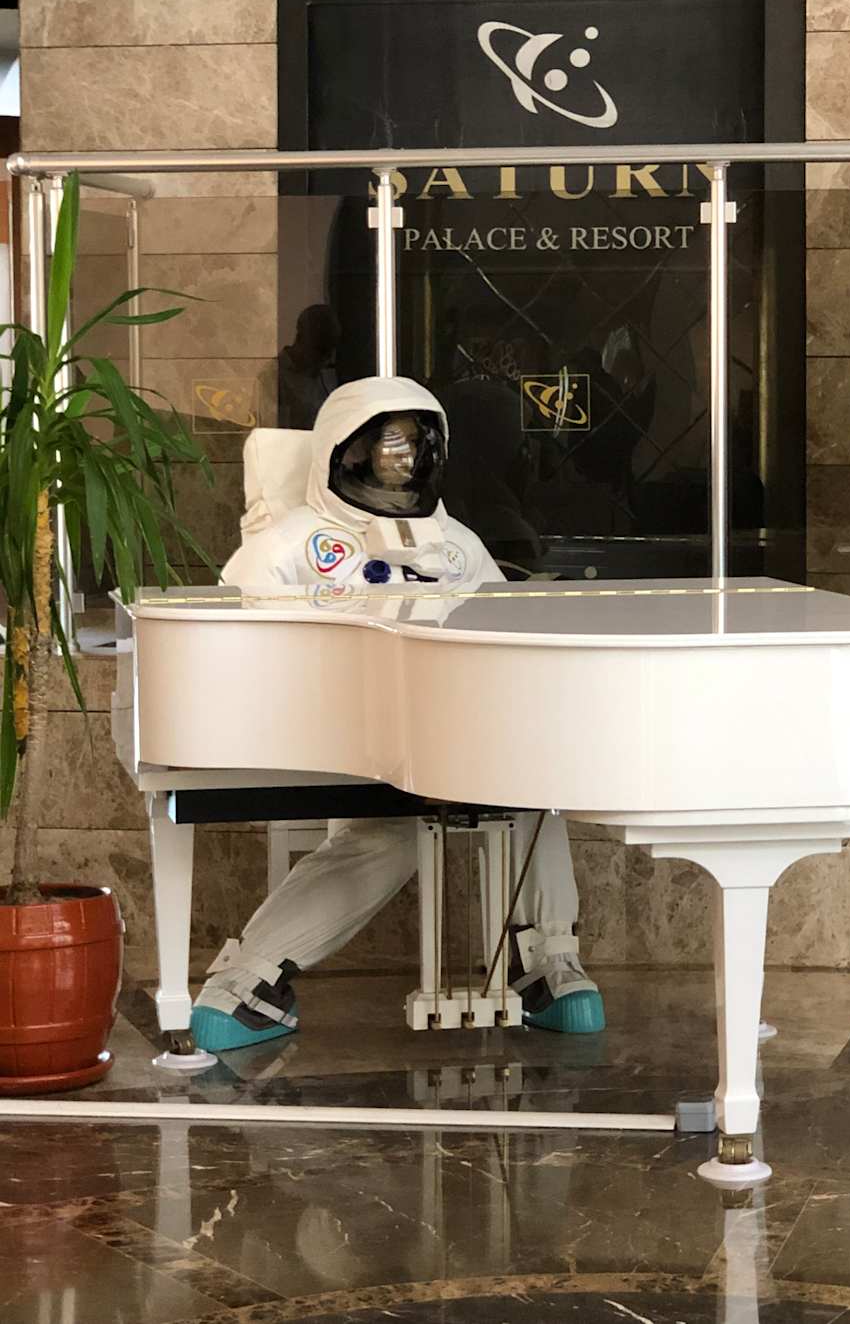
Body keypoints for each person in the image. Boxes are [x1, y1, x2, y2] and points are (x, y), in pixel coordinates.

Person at [189, 374, 605, 1053]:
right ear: (342, 449)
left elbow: (505, 632)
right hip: (340, 737)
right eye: (385, 444)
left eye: (413, 444)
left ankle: (548, 964)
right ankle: (247, 979)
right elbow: (237, 638)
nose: (401, 459)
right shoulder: (290, 543)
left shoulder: (456, 544)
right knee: (390, 832)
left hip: (456, 734)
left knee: (534, 794)